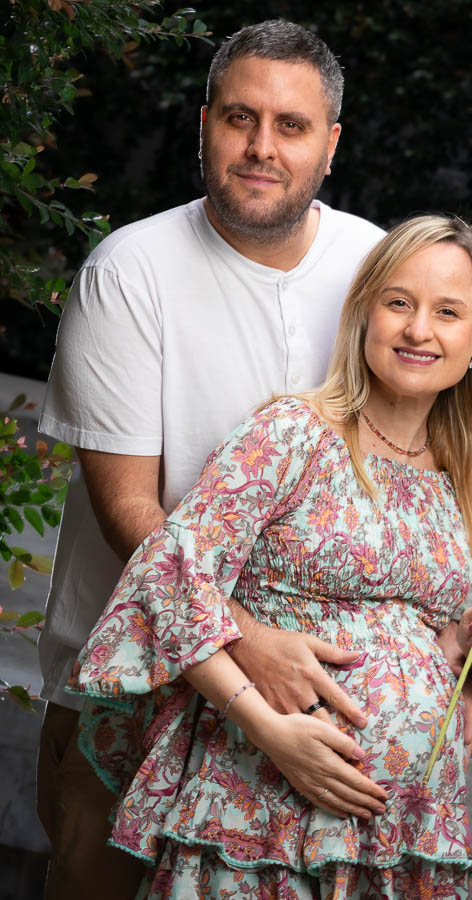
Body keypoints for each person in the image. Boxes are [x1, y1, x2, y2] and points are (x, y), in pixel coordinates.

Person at [68, 214, 472, 899]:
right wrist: (267, 729)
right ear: (364, 315)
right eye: (399, 303)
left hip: (394, 842)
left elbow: (443, 665)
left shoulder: (468, 483)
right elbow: (165, 577)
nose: (418, 330)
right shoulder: (293, 434)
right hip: (255, 817)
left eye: (447, 312)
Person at [36, 19, 394, 899]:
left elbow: (414, 471)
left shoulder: (378, 269)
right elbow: (132, 511)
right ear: (205, 125)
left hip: (302, 698)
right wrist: (245, 643)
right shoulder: (130, 273)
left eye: (291, 125)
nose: (261, 147)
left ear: (331, 143)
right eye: (240, 118)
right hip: (126, 684)